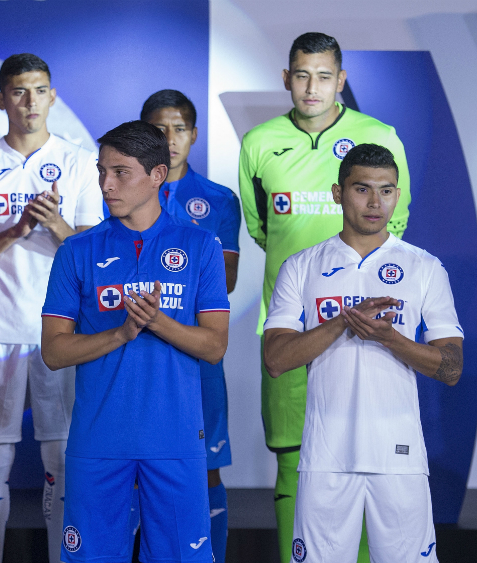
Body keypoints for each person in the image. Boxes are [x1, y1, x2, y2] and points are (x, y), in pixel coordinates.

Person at [238, 32, 412, 563]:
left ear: (341, 80)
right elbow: (262, 229)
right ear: (286, 78)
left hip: (365, 330)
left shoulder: (378, 135)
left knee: (362, 462)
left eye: (323, 76)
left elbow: (395, 228)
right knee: (292, 461)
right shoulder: (259, 143)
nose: (311, 87)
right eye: (300, 74)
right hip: (288, 330)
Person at [263, 143, 461, 563]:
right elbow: (276, 359)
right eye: (362, 189)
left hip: (400, 457)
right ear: (338, 193)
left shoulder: (425, 267)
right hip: (326, 458)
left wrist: (390, 338)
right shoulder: (301, 265)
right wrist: (342, 322)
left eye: (387, 191)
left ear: (397, 194)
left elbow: (451, 369)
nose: (376, 203)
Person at [42, 120, 229, 562]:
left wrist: (159, 323)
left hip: (176, 442)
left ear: (157, 175)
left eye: (120, 172)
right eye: (101, 170)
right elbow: (53, 352)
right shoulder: (77, 250)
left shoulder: (200, 246)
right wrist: (121, 332)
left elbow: (215, 346)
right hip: (98, 443)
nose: (106, 184)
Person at [0, 53, 103, 563]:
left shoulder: (78, 161)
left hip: (58, 332)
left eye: (40, 90)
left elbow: (94, 253)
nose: (29, 101)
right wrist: (18, 230)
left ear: (52, 96)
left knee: (60, 459)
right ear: (1, 99)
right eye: (19, 91)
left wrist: (57, 226)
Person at [142, 89, 241, 563]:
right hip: (136, 351)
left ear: (194, 133)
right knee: (136, 467)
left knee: (206, 469)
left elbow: (228, 279)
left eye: (179, 127)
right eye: (159, 129)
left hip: (197, 353)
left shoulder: (219, 200)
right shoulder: (123, 191)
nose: (170, 138)